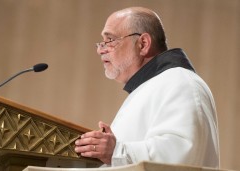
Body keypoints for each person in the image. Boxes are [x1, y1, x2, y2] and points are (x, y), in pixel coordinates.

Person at [74, 7, 220, 168]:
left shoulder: (180, 83)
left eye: (110, 40)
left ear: (143, 44)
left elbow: (181, 153)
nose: (100, 49)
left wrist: (117, 151)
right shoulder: (152, 86)